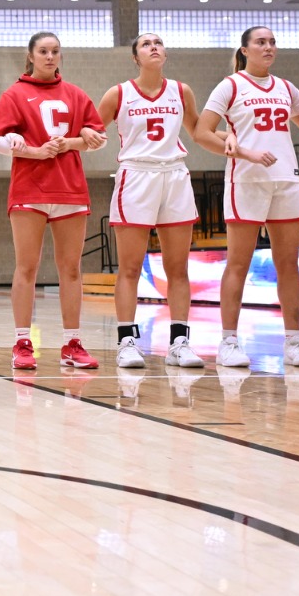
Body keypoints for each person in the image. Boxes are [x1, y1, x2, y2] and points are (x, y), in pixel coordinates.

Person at [194, 25, 299, 369]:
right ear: (245, 50)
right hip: (245, 182)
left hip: (286, 180)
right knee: (239, 264)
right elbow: (202, 134)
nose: (269, 47)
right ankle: (229, 341)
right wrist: (242, 151)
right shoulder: (230, 86)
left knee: (288, 264)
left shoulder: (287, 88)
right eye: (261, 42)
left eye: (273, 42)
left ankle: (293, 341)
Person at [0, 31, 105, 371]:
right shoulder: (16, 94)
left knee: (71, 269)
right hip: (30, 189)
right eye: (43, 51)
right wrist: (31, 150)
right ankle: (23, 342)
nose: (50, 56)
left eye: (55, 51)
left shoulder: (76, 94)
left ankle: (72, 343)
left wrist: (75, 141)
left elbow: (97, 137)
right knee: (27, 267)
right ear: (31, 55)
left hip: (70, 188)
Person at [97, 32, 204, 369]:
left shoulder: (181, 91)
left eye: (158, 43)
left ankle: (180, 342)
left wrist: (237, 142)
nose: (154, 47)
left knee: (178, 269)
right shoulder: (118, 93)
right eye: (145, 44)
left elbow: (199, 131)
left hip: (174, 173)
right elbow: (92, 132)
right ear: (135, 58)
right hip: (136, 175)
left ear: (165, 53)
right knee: (129, 268)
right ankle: (127, 341)